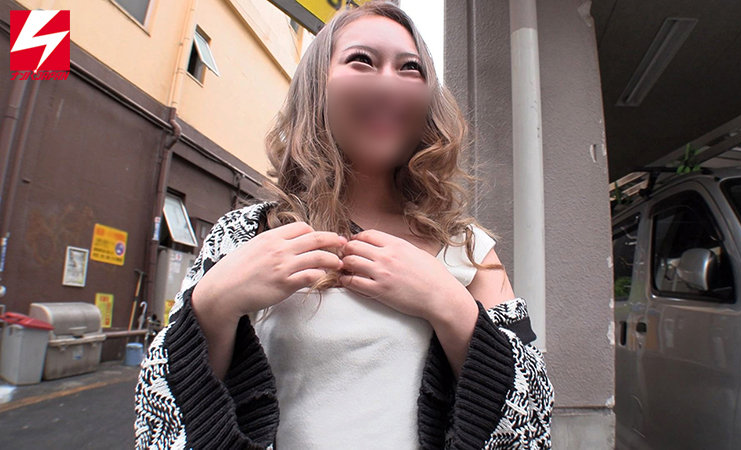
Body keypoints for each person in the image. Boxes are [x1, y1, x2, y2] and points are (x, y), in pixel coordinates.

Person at [134, 2, 553, 449]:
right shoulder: (245, 235)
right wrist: (214, 303)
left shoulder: (468, 248)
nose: (388, 82)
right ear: (316, 87)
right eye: (362, 60)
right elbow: (159, 414)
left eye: (410, 68)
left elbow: (533, 416)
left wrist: (449, 306)